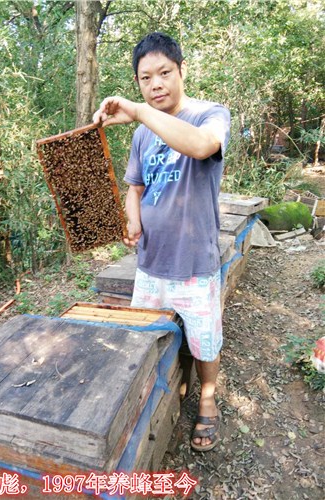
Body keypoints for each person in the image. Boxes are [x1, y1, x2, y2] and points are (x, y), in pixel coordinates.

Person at [93, 32, 230, 452]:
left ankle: (207, 399)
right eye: (145, 78)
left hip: (193, 262)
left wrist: (135, 112)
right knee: (147, 334)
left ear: (182, 70)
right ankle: (161, 389)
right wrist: (133, 221)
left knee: (205, 339)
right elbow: (135, 186)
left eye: (164, 73)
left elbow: (203, 146)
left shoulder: (211, 114)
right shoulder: (141, 136)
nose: (156, 84)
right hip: (151, 261)